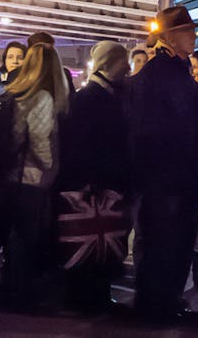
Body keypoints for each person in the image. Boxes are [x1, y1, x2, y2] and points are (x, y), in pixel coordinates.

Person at [128, 5, 198, 324]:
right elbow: (154, 131)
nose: (193, 36)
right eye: (188, 31)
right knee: (165, 244)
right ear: (170, 37)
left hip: (173, 178)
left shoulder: (172, 71)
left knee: (171, 244)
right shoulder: (161, 74)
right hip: (167, 180)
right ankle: (155, 308)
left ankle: (162, 304)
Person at [58, 40, 133, 313]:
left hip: (100, 183)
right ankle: (87, 298)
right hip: (97, 185)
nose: (128, 66)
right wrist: (95, 181)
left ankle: (92, 296)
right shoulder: (94, 98)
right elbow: (85, 144)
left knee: (96, 242)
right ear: (112, 63)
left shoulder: (97, 95)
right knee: (93, 241)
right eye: (123, 60)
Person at [0, 42, 70, 311]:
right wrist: (51, 169)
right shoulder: (42, 97)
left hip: (12, 175)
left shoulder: (16, 92)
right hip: (31, 178)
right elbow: (40, 140)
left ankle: (12, 290)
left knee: (16, 237)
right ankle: (21, 296)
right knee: (27, 239)